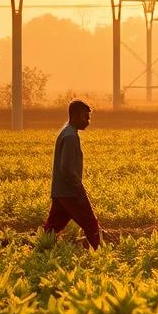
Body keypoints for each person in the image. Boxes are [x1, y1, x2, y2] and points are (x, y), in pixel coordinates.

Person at [44, 99, 102, 248]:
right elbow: (67, 168)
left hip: (60, 190)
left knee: (52, 227)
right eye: (85, 117)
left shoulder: (66, 131)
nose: (88, 121)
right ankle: (101, 254)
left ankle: (41, 250)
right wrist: (79, 189)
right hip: (70, 192)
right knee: (90, 223)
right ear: (75, 115)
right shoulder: (70, 137)